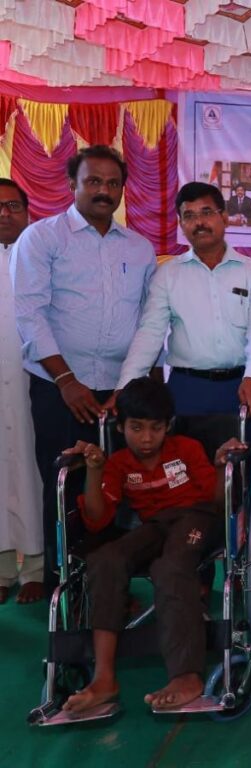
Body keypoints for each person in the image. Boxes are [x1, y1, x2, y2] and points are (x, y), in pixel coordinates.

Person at [11, 145, 156, 592]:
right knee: (62, 484)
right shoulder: (43, 238)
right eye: (93, 181)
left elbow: (148, 322)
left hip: (118, 391)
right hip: (60, 389)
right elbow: (29, 314)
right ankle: (63, 585)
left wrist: (129, 386)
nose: (103, 191)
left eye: (113, 183)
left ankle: (108, 586)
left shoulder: (139, 246)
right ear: (72, 184)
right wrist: (66, 381)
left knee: (115, 487)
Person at [60, 377, 244, 714]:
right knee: (105, 559)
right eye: (137, 428)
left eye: (156, 428)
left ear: (167, 426)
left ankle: (187, 674)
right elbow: (98, 521)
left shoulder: (187, 449)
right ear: (121, 427)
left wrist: (219, 467)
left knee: (172, 565)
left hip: (199, 518)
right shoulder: (118, 465)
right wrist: (94, 470)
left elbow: (219, 503)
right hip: (156, 525)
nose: (146, 438)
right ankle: (103, 678)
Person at [116, 182, 251, 451]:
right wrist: (126, 385)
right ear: (180, 223)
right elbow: (150, 333)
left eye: (207, 213)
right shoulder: (168, 274)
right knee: (185, 479)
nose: (199, 222)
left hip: (241, 388)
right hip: (186, 390)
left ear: (224, 217)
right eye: (189, 216)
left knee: (236, 478)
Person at [0, 178, 44, 604]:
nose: (4, 213)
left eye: (13, 205)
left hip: (33, 382)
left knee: (32, 470)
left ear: (27, 212)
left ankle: (35, 566)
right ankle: (0, 568)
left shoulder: (39, 255)